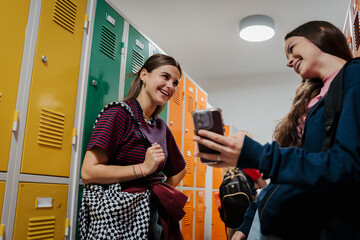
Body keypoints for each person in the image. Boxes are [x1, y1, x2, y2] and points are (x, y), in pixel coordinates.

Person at [193, 21, 360, 240]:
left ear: (321, 33)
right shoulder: (315, 98)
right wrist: (249, 221)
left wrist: (257, 154)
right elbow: (291, 176)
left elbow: (347, 166)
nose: (289, 62)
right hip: (274, 223)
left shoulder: (354, 74)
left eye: (292, 47)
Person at [80, 54, 187, 239]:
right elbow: (88, 172)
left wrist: (159, 198)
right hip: (118, 217)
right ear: (144, 75)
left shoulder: (160, 126)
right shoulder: (118, 114)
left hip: (151, 216)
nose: (171, 86)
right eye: (165, 77)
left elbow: (179, 169)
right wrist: (143, 168)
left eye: (175, 82)